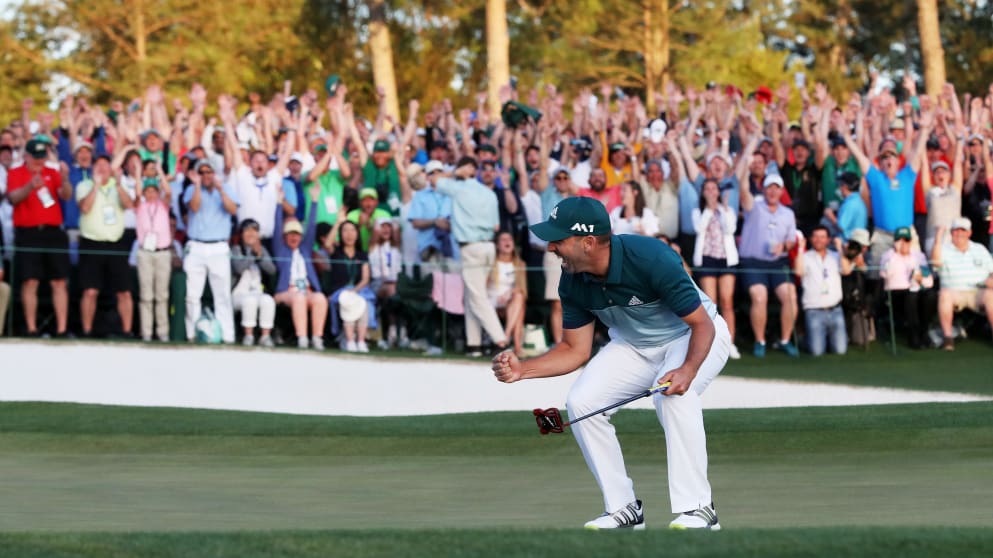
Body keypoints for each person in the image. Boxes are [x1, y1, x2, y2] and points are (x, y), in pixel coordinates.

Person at [493, 196, 730, 531]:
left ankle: (699, 509)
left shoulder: (650, 257)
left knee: (671, 395)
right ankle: (623, 508)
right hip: (634, 345)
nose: (551, 249)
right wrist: (523, 370)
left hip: (694, 335)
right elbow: (575, 350)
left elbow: (701, 324)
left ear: (588, 242)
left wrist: (687, 370)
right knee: (581, 401)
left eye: (558, 241)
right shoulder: (572, 278)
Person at [435, 156, 507, 355]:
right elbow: (496, 226)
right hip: (488, 246)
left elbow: (434, 181)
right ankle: (473, 344)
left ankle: (501, 341)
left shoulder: (458, 187)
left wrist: (455, 173)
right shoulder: (488, 192)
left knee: (477, 297)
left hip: (471, 248)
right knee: (471, 296)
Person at [6, 139, 73, 336]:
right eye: (35, 157)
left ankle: (61, 329)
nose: (39, 162)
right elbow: (13, 198)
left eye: (42, 157)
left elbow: (65, 195)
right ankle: (31, 327)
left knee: (59, 281)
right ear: (26, 156)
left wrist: (66, 178)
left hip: (53, 232)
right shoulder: (15, 173)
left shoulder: (51, 172)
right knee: (30, 281)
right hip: (28, 232)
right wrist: (30, 187)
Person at [738, 173, 799, 357]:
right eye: (769, 187)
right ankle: (760, 341)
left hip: (777, 261)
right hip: (753, 262)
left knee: (790, 295)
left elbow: (791, 240)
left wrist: (784, 246)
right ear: (764, 189)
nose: (773, 191)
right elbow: (743, 189)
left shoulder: (788, 213)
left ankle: (785, 340)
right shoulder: (754, 206)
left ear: (781, 191)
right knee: (759, 296)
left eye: (776, 187)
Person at [76, 153, 135, 337]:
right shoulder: (84, 185)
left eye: (105, 165)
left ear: (111, 169)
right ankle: (87, 330)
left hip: (115, 244)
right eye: (98, 165)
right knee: (90, 291)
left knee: (124, 292)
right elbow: (85, 208)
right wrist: (95, 186)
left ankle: (127, 331)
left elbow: (129, 205)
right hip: (91, 243)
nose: (102, 169)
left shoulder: (119, 185)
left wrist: (117, 185)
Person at [182, 159, 239, 343]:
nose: (206, 175)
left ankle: (227, 336)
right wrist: (197, 185)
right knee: (192, 295)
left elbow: (232, 209)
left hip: (218, 247)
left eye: (209, 172)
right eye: (202, 172)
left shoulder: (226, 188)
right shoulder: (192, 190)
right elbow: (194, 207)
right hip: (196, 245)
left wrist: (220, 190)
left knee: (222, 294)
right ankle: (192, 334)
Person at [273, 186, 328, 350]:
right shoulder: (281, 249)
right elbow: (276, 227)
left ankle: (317, 338)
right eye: (290, 234)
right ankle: (302, 338)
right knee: (298, 298)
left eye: (297, 234)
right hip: (287, 291)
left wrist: (315, 201)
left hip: (306, 290)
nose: (294, 237)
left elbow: (311, 227)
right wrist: (278, 203)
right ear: (285, 236)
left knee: (319, 298)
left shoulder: (304, 250)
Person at [691, 177, 740, 359]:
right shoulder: (698, 211)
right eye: (708, 189)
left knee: (727, 301)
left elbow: (730, 229)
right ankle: (711, 343)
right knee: (711, 303)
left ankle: (730, 343)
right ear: (703, 193)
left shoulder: (727, 210)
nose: (711, 193)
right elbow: (699, 228)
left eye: (714, 189)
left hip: (726, 259)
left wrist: (724, 209)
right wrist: (709, 210)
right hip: (707, 259)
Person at [930, 219, 993, 350]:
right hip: (955, 292)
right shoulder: (943, 249)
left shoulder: (979, 248)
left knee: (990, 295)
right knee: (945, 294)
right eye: (956, 230)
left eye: (962, 230)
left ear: (969, 233)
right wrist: (938, 237)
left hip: (978, 291)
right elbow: (935, 263)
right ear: (952, 232)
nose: (959, 234)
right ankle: (948, 338)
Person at [794, 226, 851, 356]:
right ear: (811, 239)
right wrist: (800, 248)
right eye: (815, 236)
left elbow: (847, 270)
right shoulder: (806, 256)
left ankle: (825, 337)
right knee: (816, 351)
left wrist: (840, 249)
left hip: (835, 310)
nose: (818, 240)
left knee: (840, 350)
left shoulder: (836, 256)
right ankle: (803, 338)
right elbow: (798, 271)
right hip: (814, 310)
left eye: (822, 237)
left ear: (828, 239)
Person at [879, 226, 936, 349]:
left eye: (906, 240)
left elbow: (928, 279)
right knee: (911, 297)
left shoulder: (918, 256)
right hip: (897, 293)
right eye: (900, 240)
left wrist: (922, 279)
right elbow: (885, 274)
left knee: (930, 295)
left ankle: (924, 331)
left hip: (916, 289)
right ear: (895, 242)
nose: (904, 243)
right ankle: (913, 336)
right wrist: (897, 254)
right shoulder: (888, 256)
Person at [134, 164, 173, 342]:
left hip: (162, 252)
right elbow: (136, 194)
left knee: (161, 294)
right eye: (148, 191)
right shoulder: (140, 206)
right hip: (145, 252)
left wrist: (160, 172)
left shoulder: (162, 206)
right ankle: (147, 331)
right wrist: (137, 173)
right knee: (146, 294)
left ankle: (163, 331)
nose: (151, 194)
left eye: (153, 191)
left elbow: (169, 192)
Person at [326, 219, 375, 352]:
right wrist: (337, 223)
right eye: (345, 230)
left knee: (363, 303)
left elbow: (365, 279)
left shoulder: (362, 254)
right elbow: (327, 244)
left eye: (352, 230)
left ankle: (361, 341)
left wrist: (354, 290)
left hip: (359, 290)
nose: (349, 234)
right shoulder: (336, 252)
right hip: (340, 290)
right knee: (347, 301)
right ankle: (349, 340)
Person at [231, 218, 277, 347]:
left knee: (268, 300)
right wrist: (252, 255)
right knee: (249, 301)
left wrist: (260, 256)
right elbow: (239, 268)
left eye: (254, 231)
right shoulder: (236, 249)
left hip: (257, 291)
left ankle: (265, 336)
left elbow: (272, 270)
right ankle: (248, 335)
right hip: (238, 293)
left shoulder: (261, 250)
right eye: (248, 231)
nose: (251, 234)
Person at [487, 230, 528, 356]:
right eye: (503, 240)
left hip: (510, 302)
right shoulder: (490, 262)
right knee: (519, 307)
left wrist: (509, 293)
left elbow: (522, 289)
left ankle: (505, 336)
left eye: (509, 239)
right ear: (497, 245)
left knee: (519, 297)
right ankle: (516, 347)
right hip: (491, 299)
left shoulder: (520, 264)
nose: (507, 242)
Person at [368, 217, 404, 348]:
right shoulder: (374, 247)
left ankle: (394, 332)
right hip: (377, 283)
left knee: (394, 292)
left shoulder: (395, 248)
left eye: (388, 226)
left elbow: (397, 237)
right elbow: (373, 239)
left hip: (394, 282)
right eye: (383, 226)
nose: (386, 229)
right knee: (392, 291)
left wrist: (395, 228)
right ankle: (393, 332)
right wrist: (376, 229)